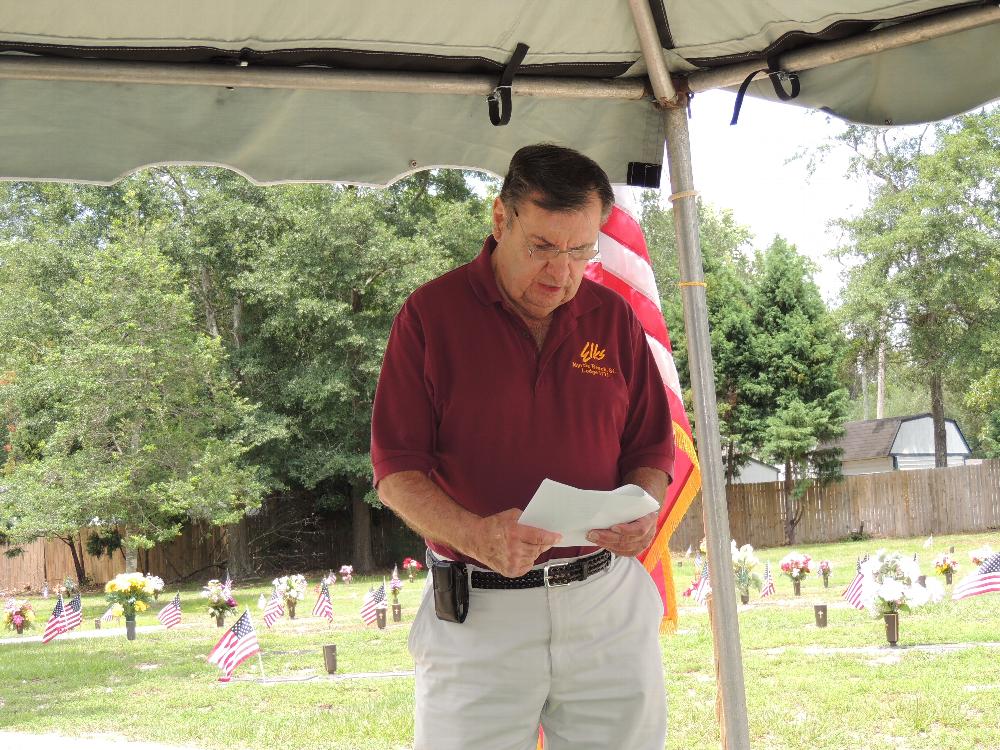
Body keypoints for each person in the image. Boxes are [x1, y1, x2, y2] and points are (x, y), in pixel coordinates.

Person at [371, 144, 674, 750]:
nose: (561, 273)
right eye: (542, 247)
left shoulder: (613, 318)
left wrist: (644, 508)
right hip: (479, 614)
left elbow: (650, 449)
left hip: (606, 605)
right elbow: (396, 471)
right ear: (500, 219)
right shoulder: (430, 316)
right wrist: (474, 534)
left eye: (580, 251)